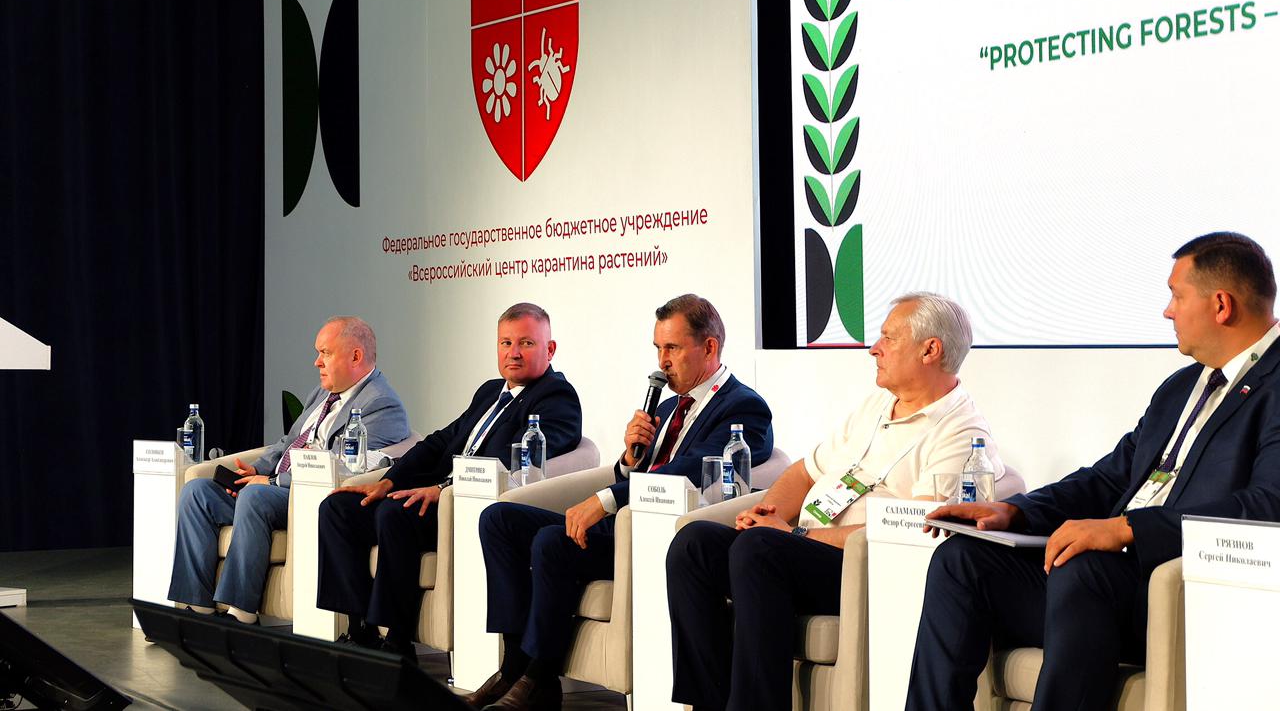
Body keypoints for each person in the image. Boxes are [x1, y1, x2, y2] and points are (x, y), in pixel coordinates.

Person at [906, 232, 1280, 711]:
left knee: (1084, 568)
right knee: (963, 561)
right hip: (1102, 588)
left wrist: (1127, 529)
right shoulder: (1182, 387)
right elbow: (1109, 478)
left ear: (1221, 305)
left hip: (1186, 589)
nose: (1167, 312)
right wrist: (1015, 512)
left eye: (1176, 296)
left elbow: (1266, 505)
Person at [665, 292, 1007, 711]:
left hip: (862, 566)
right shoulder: (877, 405)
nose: (874, 349)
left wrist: (794, 534)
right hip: (799, 549)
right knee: (694, 545)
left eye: (888, 338)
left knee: (760, 549)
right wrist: (767, 512)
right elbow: (805, 472)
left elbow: (916, 533)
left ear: (930, 350)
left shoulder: (960, 433)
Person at [468, 294, 774, 710]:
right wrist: (630, 459)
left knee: (552, 541)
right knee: (499, 519)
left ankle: (539, 678)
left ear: (709, 347)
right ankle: (513, 667)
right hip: (626, 523)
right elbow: (639, 475)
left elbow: (689, 470)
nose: (662, 362)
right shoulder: (669, 406)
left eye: (673, 348)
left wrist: (607, 500)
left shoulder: (743, 408)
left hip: (662, 536)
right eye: (658, 348)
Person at [315, 303, 582, 655]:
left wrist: (443, 489)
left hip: (470, 504)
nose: (513, 353)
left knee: (394, 514)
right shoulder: (490, 391)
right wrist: (389, 481)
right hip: (435, 491)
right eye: (505, 343)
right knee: (338, 508)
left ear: (550, 349)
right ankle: (359, 630)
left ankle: (397, 642)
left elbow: (517, 461)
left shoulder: (556, 397)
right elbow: (440, 441)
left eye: (526, 343)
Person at [168, 316, 410, 624]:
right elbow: (289, 442)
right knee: (196, 492)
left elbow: (346, 468)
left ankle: (240, 613)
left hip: (312, 496)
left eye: (325, 353)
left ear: (355, 356)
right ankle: (195, 608)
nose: (317, 362)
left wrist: (271, 481)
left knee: (255, 496)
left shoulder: (382, 404)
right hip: (276, 488)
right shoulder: (322, 393)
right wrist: (255, 470)